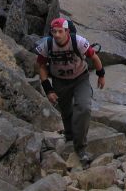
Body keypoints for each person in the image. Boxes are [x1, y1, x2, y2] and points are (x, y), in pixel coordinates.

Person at [35, 17, 105, 163]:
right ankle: (69, 135)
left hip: (81, 78)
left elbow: (94, 57)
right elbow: (40, 66)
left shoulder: (78, 42)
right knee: (66, 111)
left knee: (84, 107)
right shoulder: (47, 45)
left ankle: (80, 148)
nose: (57, 35)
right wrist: (48, 90)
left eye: (60, 32)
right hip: (59, 81)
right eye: (54, 32)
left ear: (67, 31)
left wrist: (101, 75)